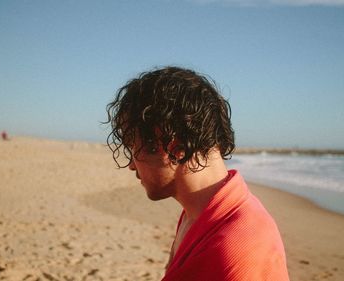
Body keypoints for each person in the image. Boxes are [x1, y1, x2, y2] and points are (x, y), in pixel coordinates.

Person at [105, 66, 289, 280]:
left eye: (132, 148)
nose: (132, 166)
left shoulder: (231, 249)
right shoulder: (198, 213)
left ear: (174, 147)